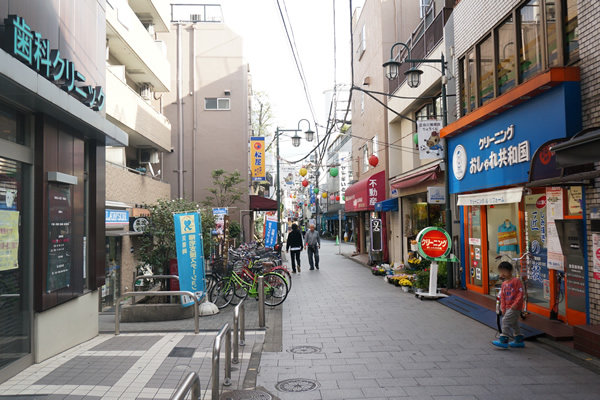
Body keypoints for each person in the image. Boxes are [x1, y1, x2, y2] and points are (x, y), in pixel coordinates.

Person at [492, 261, 525, 349]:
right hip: (507, 307)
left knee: (505, 320)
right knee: (514, 323)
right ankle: (519, 339)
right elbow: (502, 296)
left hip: (515, 307)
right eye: (501, 271)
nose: (502, 273)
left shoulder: (516, 281)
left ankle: (503, 339)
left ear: (510, 271)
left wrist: (516, 304)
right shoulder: (504, 284)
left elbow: (520, 294)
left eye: (504, 271)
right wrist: (502, 307)